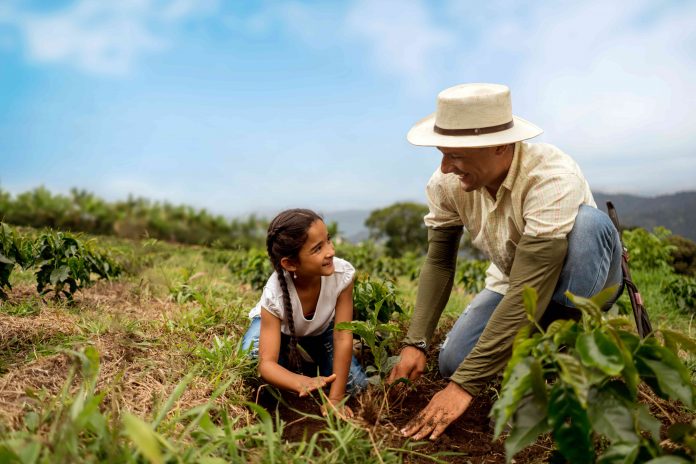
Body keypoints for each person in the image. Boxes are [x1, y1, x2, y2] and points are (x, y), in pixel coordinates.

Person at [387, 83, 623, 440]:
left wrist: (463, 387)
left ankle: (555, 356)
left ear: (501, 146)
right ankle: (528, 352)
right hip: (514, 279)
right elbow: (439, 263)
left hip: (584, 279)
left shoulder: (551, 178)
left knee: (589, 225)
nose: (446, 166)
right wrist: (415, 341)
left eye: (456, 155)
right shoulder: (447, 184)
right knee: (453, 361)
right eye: (442, 153)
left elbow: (534, 286)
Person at [241, 208, 367, 417]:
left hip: (319, 330)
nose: (331, 251)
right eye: (318, 249)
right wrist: (298, 382)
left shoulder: (342, 275)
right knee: (253, 363)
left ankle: (307, 358)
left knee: (357, 386)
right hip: (279, 329)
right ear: (290, 264)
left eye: (328, 240)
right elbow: (266, 364)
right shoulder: (275, 294)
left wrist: (335, 399)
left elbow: (342, 337)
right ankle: (289, 355)